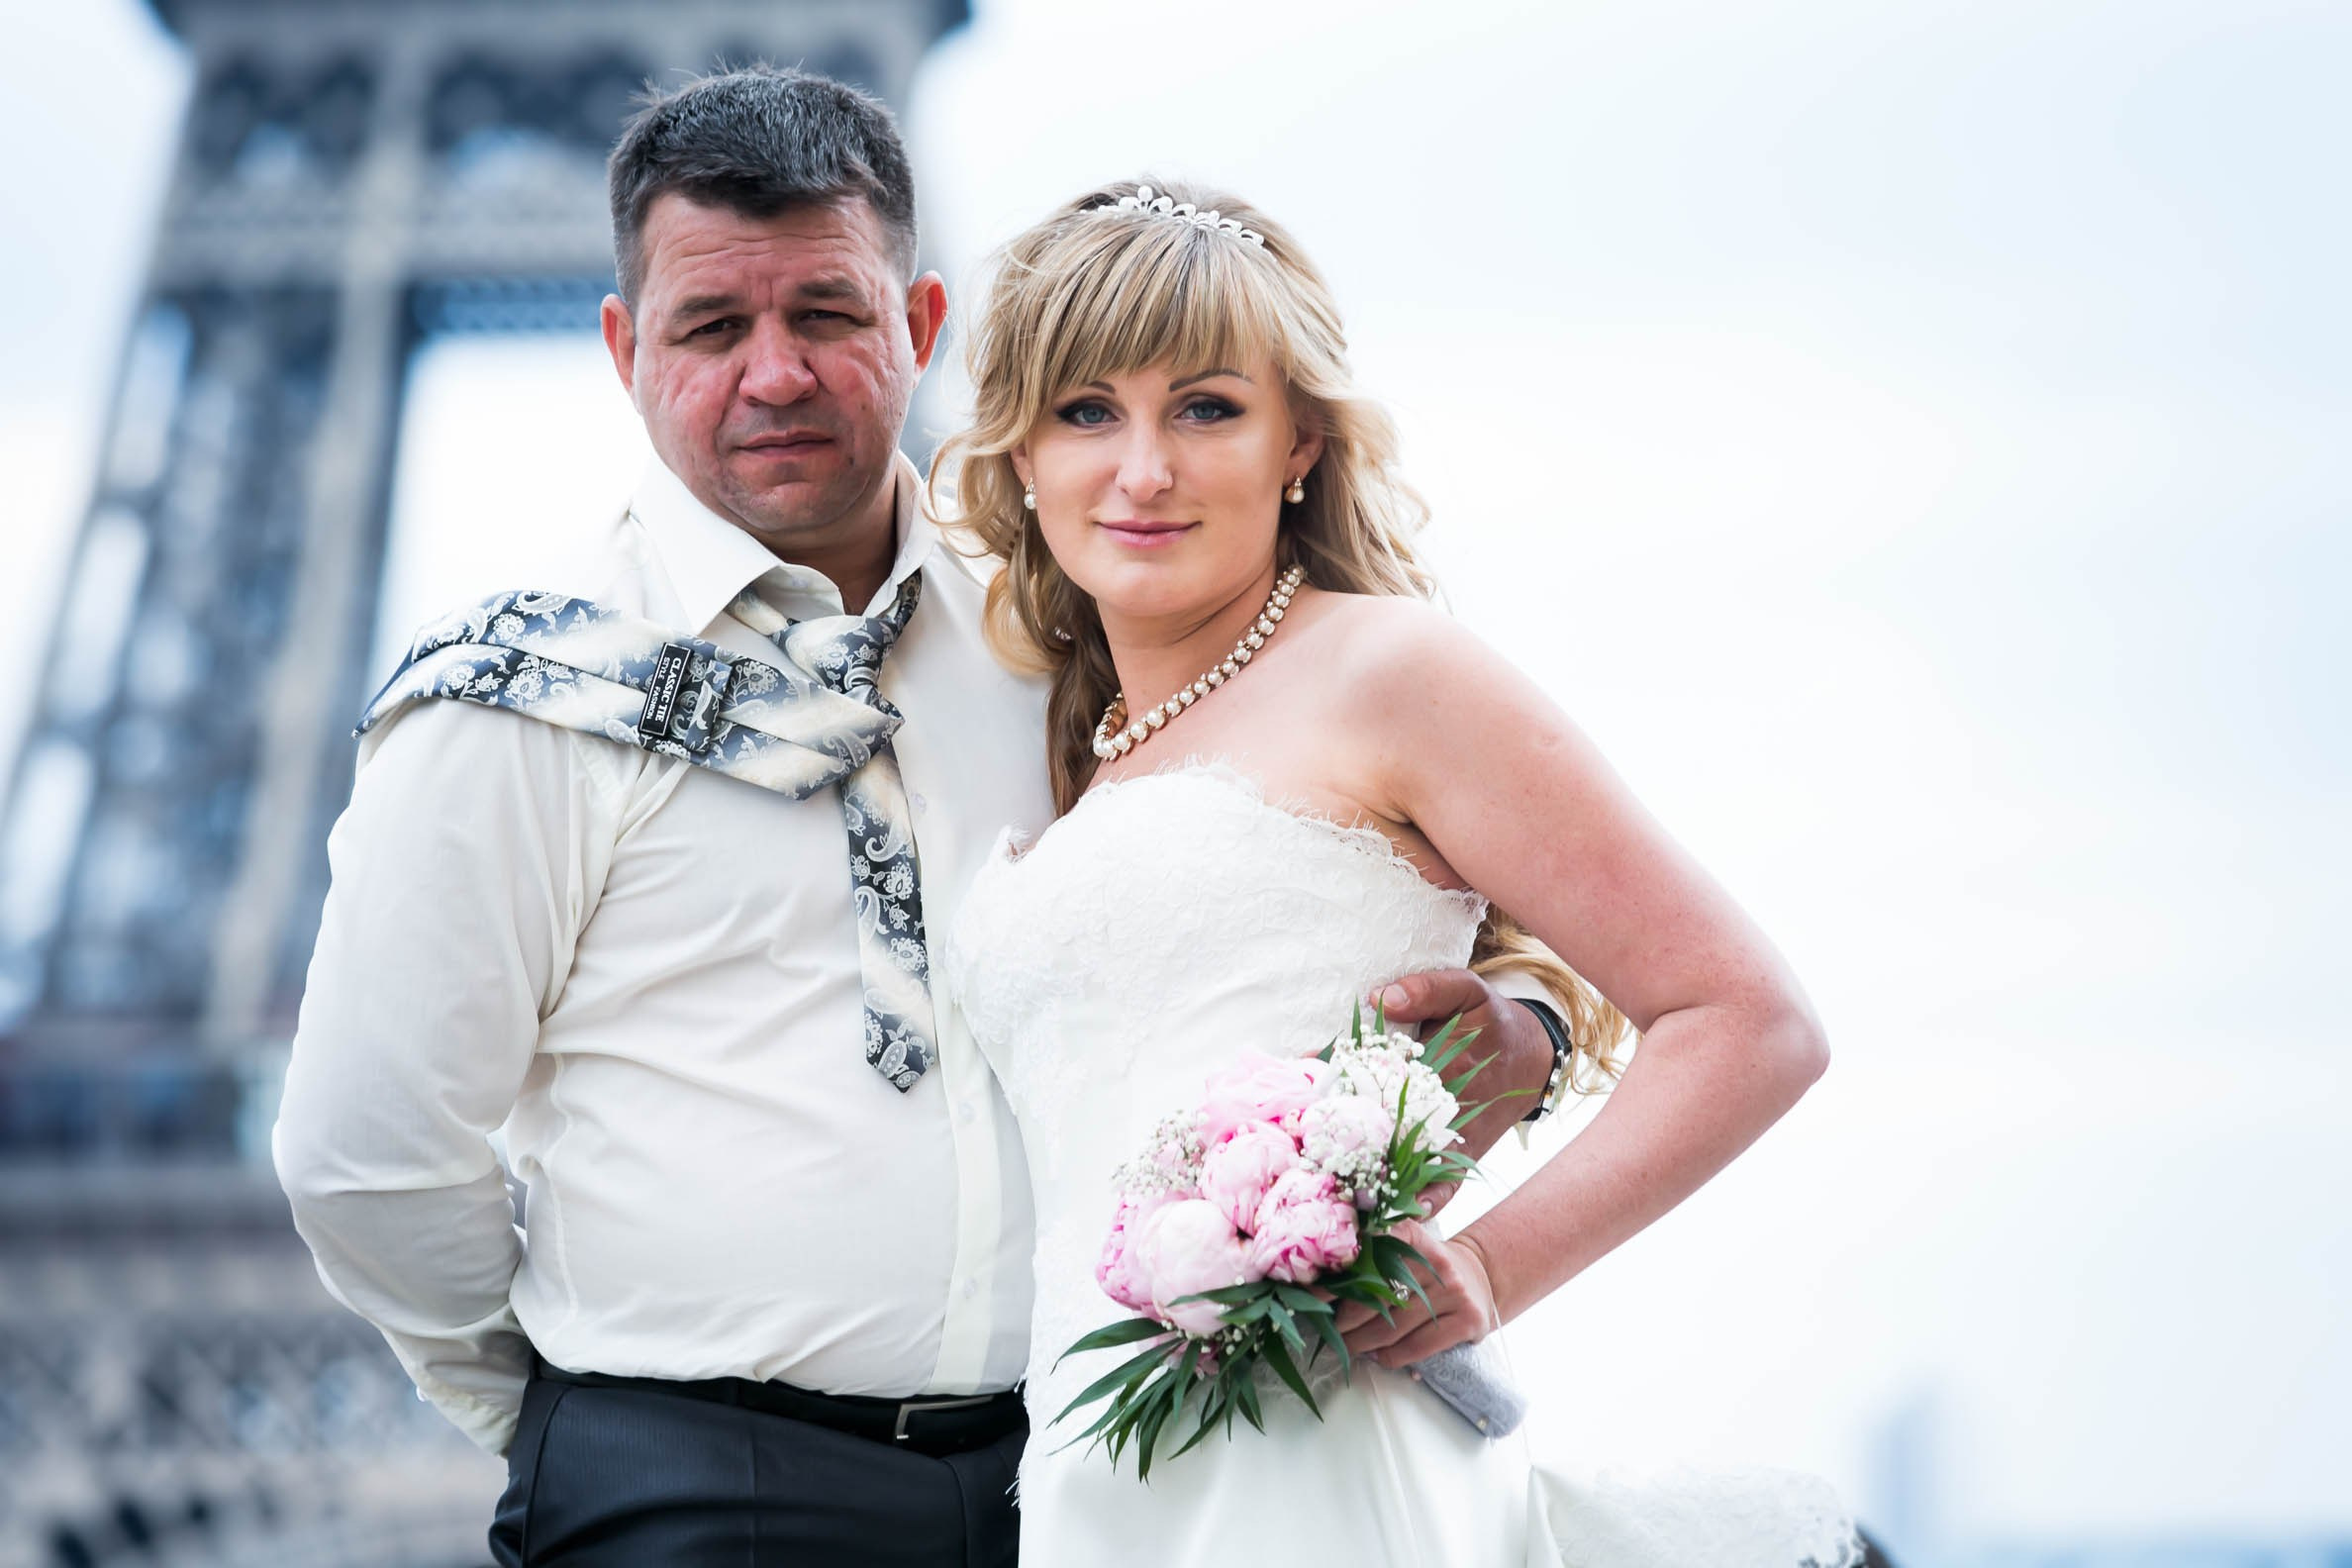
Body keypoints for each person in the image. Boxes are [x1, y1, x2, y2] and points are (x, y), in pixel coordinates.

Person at [271, 68, 1571, 1567]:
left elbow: (1362, 850)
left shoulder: (1079, 624)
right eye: (711, 327)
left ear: (921, 323)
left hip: (1105, 1475)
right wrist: (579, 1417)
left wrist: (1527, 1027)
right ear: (626, 349)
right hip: (698, 1487)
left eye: (827, 314)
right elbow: (366, 1157)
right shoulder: (513, 705)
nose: (775, 374)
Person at [934, 181, 1867, 1565]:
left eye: (1205, 409)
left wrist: (1487, 1266)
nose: (1143, 470)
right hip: (1103, 1473)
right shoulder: (1078, 752)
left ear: (1300, 445)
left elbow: (1750, 1021)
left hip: (1322, 1454)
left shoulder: (1390, 673)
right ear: (1019, 452)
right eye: (1087, 412)